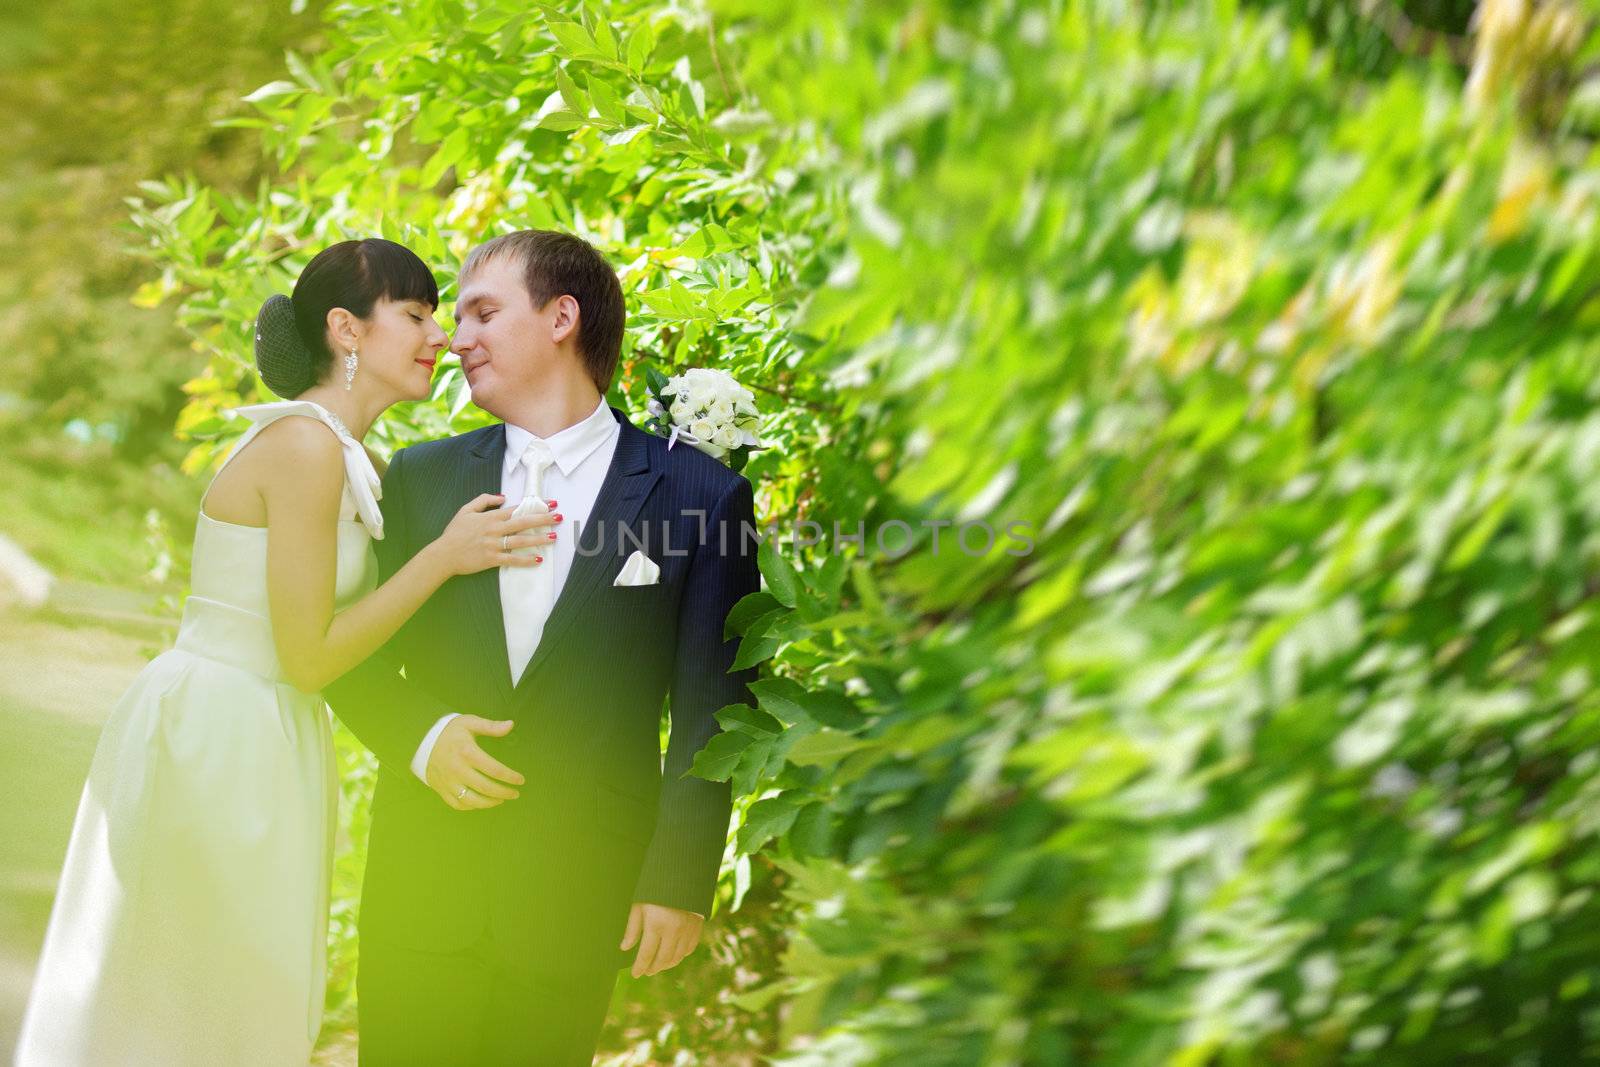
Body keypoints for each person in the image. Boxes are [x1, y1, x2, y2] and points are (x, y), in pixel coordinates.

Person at [13, 238, 559, 1066]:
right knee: (190, 989)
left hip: (267, 728)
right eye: (414, 315)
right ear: (345, 328)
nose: (439, 337)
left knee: (237, 988)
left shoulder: (350, 456)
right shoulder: (306, 449)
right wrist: (445, 555)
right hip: (220, 731)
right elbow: (309, 654)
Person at [322, 229, 761, 1065]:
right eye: (456, 318)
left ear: (563, 316)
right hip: (423, 881)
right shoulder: (420, 475)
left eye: (483, 312)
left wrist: (678, 876)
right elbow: (349, 649)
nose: (456, 338)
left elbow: (717, 710)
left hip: (576, 894)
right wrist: (421, 737)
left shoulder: (702, 494)